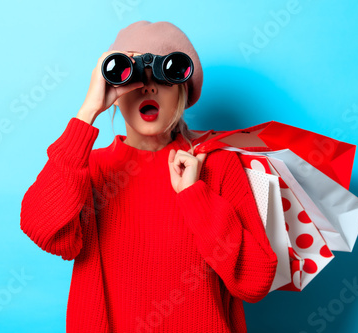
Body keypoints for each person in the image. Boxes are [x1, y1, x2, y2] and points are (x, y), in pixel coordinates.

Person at [20, 20, 278, 333]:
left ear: (183, 87)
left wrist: (197, 196)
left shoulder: (218, 165)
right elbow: (43, 229)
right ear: (113, 88)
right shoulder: (89, 170)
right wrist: (87, 112)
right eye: (134, 76)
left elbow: (255, 282)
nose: (148, 86)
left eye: (164, 75)